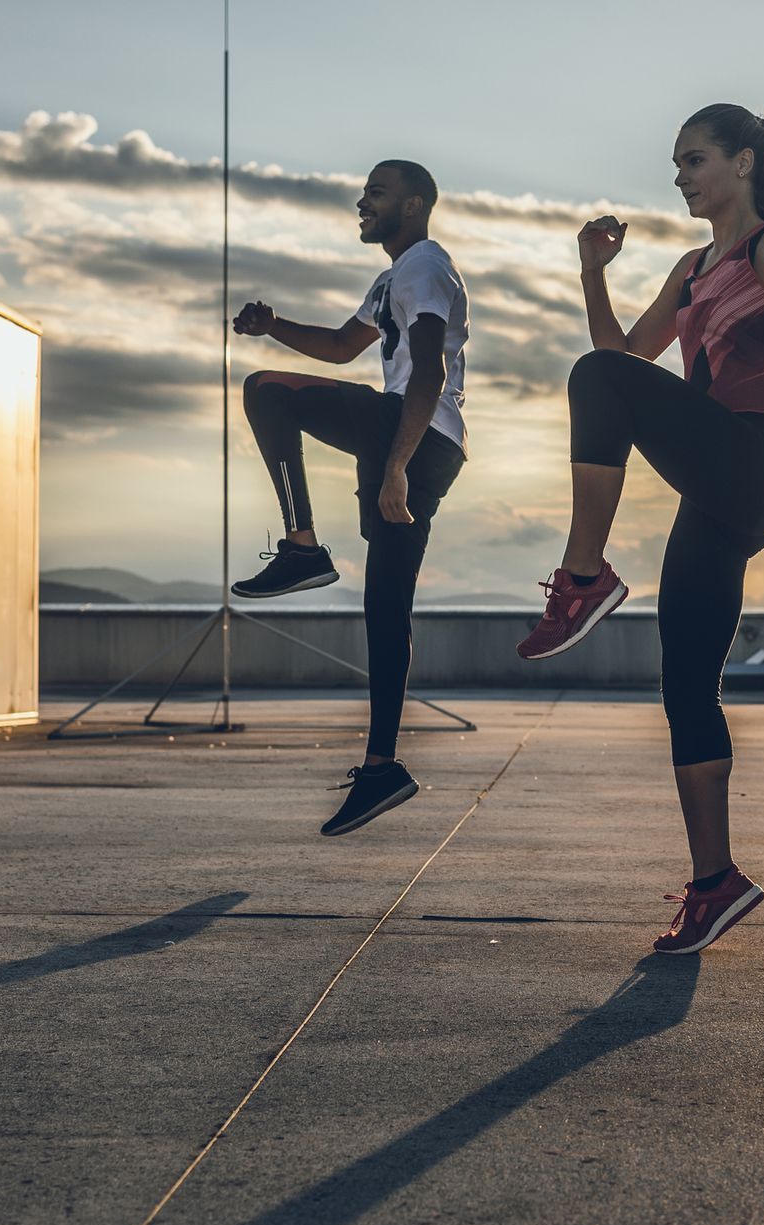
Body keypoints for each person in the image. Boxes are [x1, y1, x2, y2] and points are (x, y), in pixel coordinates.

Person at [516, 104, 764, 954]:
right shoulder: (692, 269)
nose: (681, 176)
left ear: (746, 162)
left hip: (754, 458)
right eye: (677, 163)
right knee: (686, 682)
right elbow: (625, 356)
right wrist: (590, 272)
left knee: (596, 379)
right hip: (713, 485)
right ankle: (714, 881)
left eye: (695, 160)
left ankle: (584, 578)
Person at [231, 159, 470, 837]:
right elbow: (341, 348)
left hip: (409, 433)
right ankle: (382, 766)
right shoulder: (396, 275)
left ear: (415, 204)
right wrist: (275, 322)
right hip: (425, 444)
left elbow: (431, 367)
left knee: (266, 391)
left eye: (377, 193)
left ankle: (302, 547)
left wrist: (395, 463)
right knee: (386, 606)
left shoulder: (423, 264)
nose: (361, 203)